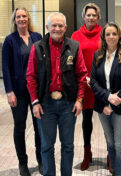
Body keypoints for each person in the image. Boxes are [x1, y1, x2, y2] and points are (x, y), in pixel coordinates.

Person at [26, 12, 88, 176]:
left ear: (65, 28)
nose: (57, 28)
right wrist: (34, 102)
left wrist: (80, 100)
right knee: (47, 146)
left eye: (61, 25)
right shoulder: (37, 47)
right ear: (47, 27)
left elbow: (82, 75)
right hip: (45, 105)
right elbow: (31, 77)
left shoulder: (74, 46)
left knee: (68, 145)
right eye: (54, 25)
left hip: (68, 104)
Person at [90, 22, 121, 175]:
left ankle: (120, 173)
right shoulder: (98, 55)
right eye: (108, 34)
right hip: (103, 106)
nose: (111, 37)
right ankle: (115, 170)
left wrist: (114, 103)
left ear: (119, 36)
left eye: (114, 34)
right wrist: (107, 99)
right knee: (110, 142)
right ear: (103, 37)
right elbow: (93, 81)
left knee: (119, 144)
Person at [2, 7, 42, 176]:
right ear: (14, 20)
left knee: (39, 127)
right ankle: (22, 163)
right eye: (18, 16)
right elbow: (5, 67)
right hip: (18, 91)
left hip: (37, 91)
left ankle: (41, 159)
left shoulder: (37, 37)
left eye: (24, 16)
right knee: (20, 127)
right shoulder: (10, 40)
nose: (21, 19)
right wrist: (9, 91)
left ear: (28, 18)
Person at [71, 3, 102, 171]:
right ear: (83, 17)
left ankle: (110, 154)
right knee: (86, 119)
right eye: (88, 15)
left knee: (107, 119)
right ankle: (86, 152)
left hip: (102, 83)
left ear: (98, 17)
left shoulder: (104, 34)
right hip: (83, 82)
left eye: (94, 15)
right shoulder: (75, 35)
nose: (91, 17)